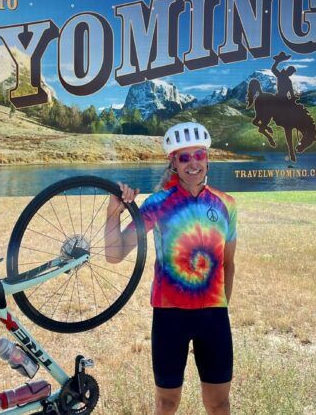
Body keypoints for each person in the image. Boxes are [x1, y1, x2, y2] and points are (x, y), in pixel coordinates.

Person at [105, 122, 237, 415]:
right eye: (184, 157)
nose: (193, 163)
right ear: (173, 162)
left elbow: (229, 263)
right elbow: (115, 255)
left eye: (199, 155)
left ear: (207, 158)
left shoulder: (227, 204)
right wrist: (112, 213)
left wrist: (221, 305)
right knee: (166, 404)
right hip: (169, 316)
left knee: (220, 404)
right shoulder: (157, 203)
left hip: (214, 317)